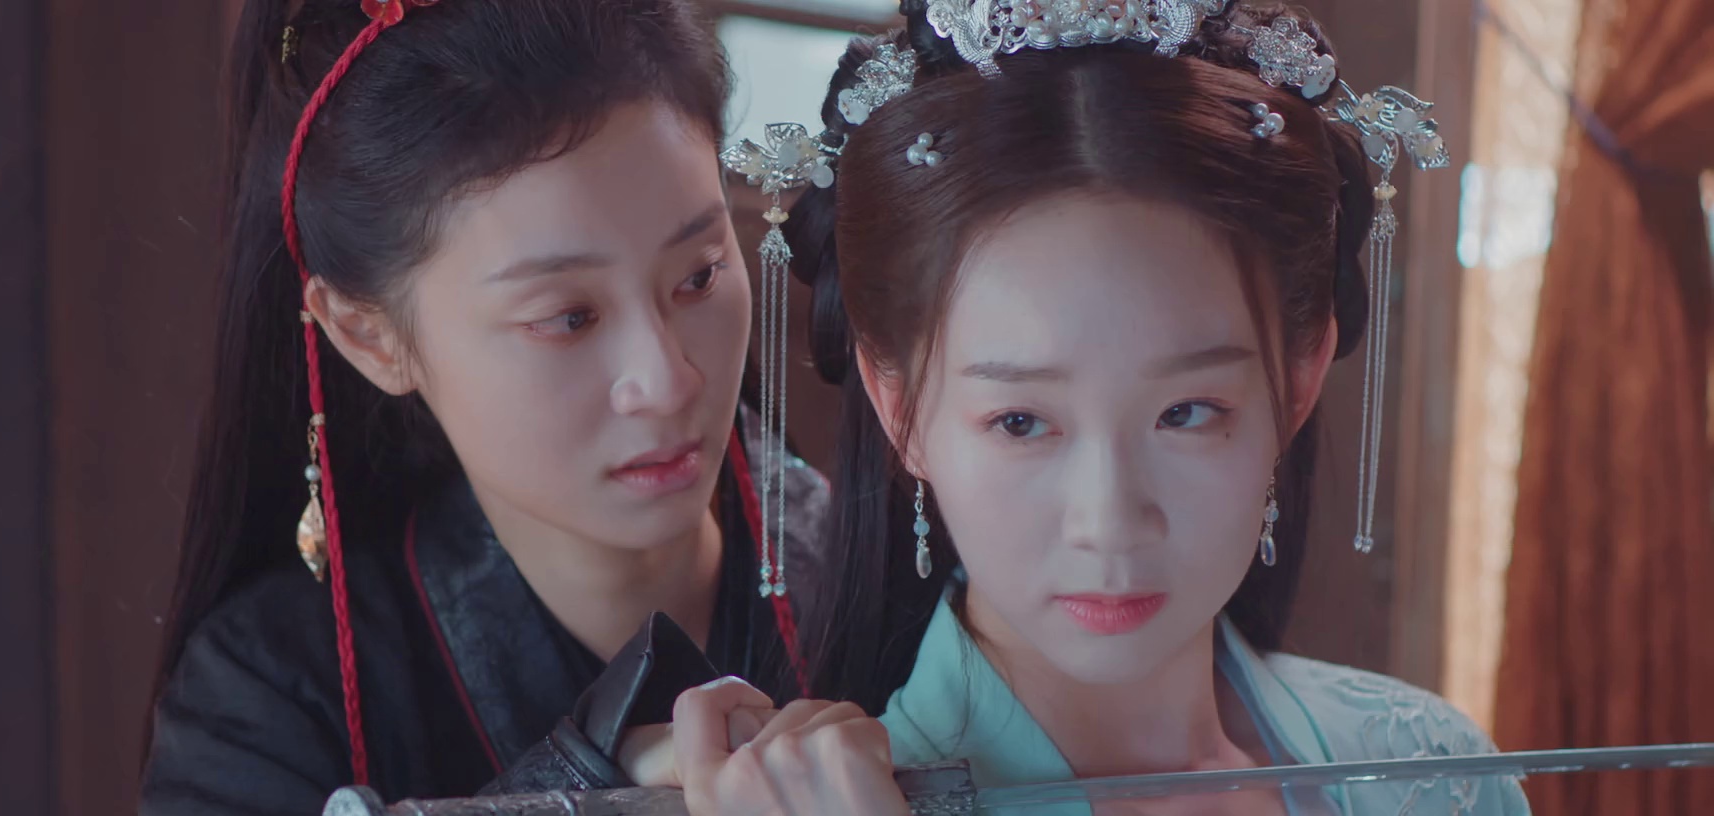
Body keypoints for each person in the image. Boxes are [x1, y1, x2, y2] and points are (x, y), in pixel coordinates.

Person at [651, 1, 1530, 813]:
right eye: (1021, 422)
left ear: (1297, 381)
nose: (1108, 523)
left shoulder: (1434, 775)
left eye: (1186, 412)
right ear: (900, 406)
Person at [139, 1, 829, 813]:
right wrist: (591, 784)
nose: (669, 380)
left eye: (700, 276)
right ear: (368, 336)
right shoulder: (268, 705)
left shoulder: (901, 583)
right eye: (568, 318)